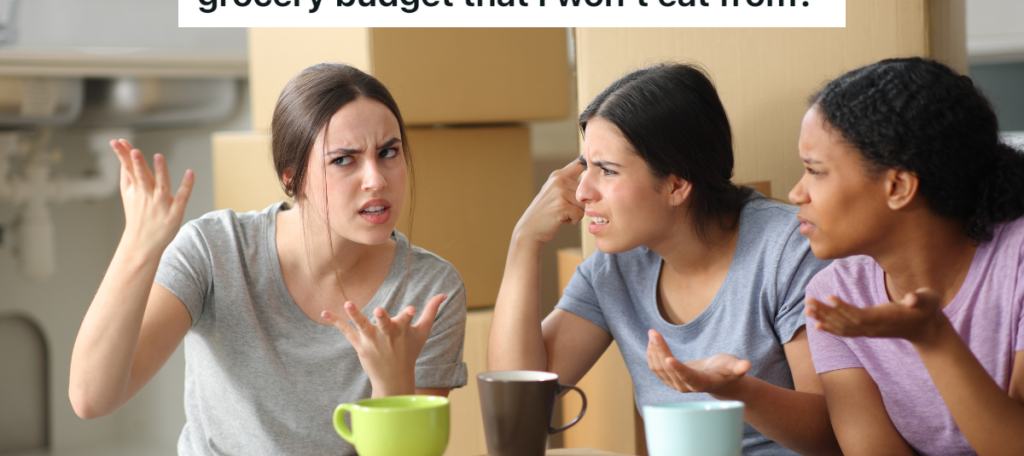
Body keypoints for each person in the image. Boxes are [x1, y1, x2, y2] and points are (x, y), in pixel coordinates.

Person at [69, 63, 468, 456]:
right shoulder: (215, 250)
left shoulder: (431, 290)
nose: (377, 180)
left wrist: (391, 389)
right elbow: (92, 398)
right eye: (343, 159)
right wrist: (139, 245)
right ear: (292, 176)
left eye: (388, 152)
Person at [490, 63, 840, 456]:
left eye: (606, 170)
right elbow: (517, 409)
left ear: (675, 185)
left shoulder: (790, 251)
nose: (582, 191)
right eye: (585, 165)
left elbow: (834, 433)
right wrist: (524, 242)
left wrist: (732, 390)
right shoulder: (615, 268)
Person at [791, 57, 1024, 456]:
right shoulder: (835, 294)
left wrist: (932, 337)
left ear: (898, 186)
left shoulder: (1016, 260)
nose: (797, 193)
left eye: (815, 171)